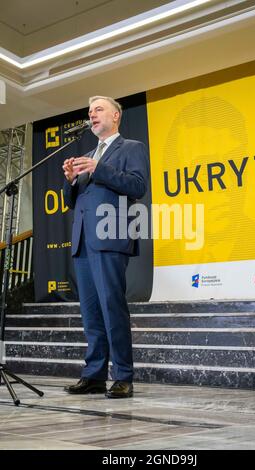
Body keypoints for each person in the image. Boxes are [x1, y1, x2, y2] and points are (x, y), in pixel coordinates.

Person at [62, 96, 149, 398]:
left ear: (115, 116)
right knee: (91, 312)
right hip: (84, 241)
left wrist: (98, 169)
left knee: (112, 308)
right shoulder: (86, 155)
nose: (91, 114)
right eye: (89, 111)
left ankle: (123, 375)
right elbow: (74, 202)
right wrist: (72, 181)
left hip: (111, 236)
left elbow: (137, 186)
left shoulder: (131, 148)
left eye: (98, 109)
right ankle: (95, 374)